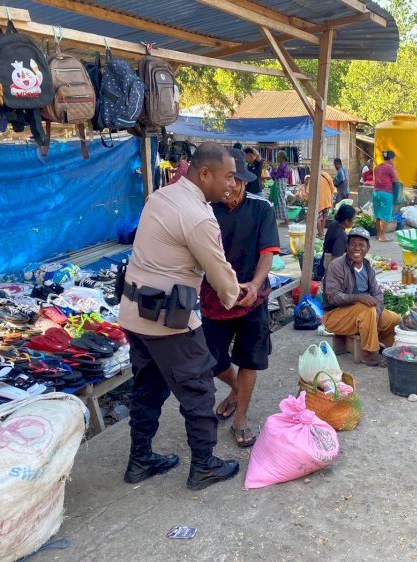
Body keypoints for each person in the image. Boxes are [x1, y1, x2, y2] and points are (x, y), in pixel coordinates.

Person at [118, 143, 241, 491]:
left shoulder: (162, 196)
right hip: (169, 322)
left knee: (148, 388)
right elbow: (221, 277)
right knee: (198, 390)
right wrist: (237, 293)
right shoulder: (198, 217)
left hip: (134, 314)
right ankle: (204, 466)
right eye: (228, 176)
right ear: (205, 174)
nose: (231, 185)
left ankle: (139, 459)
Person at [200, 149, 279, 448]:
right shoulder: (206, 210)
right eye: (228, 179)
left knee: (250, 360)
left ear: (245, 181)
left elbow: (267, 253)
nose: (232, 187)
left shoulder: (262, 209)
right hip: (214, 299)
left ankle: (241, 417)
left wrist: (256, 285)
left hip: (252, 299)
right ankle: (236, 390)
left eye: (237, 180)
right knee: (213, 361)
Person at [322, 227, 401, 367]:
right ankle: (370, 355)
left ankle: (387, 350)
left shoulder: (367, 267)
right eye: (353, 244)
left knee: (394, 318)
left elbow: (377, 293)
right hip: (335, 317)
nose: (356, 248)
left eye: (361, 245)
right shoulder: (336, 265)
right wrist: (357, 297)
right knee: (367, 308)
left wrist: (376, 314)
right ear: (347, 246)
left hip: (361, 315)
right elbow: (333, 296)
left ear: (367, 248)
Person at [373, 151, 399, 242]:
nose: (394, 161)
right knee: (384, 215)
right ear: (391, 159)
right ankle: (382, 236)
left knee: (378, 215)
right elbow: (396, 180)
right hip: (386, 193)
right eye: (394, 159)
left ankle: (378, 234)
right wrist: (394, 169)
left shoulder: (377, 167)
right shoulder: (390, 168)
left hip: (376, 192)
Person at [305, 172, 337, 237]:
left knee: (318, 218)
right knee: (324, 217)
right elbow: (332, 188)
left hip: (318, 200)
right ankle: (322, 232)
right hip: (327, 199)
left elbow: (308, 191)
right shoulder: (327, 175)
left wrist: (306, 200)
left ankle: (320, 233)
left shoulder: (313, 177)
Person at [270, 151, 290, 226]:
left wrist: (273, 168)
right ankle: (285, 221)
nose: (277, 158)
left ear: (282, 158)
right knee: (281, 200)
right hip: (282, 183)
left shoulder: (282, 166)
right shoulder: (285, 165)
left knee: (280, 201)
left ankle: (286, 221)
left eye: (278, 157)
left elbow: (276, 176)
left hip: (280, 184)